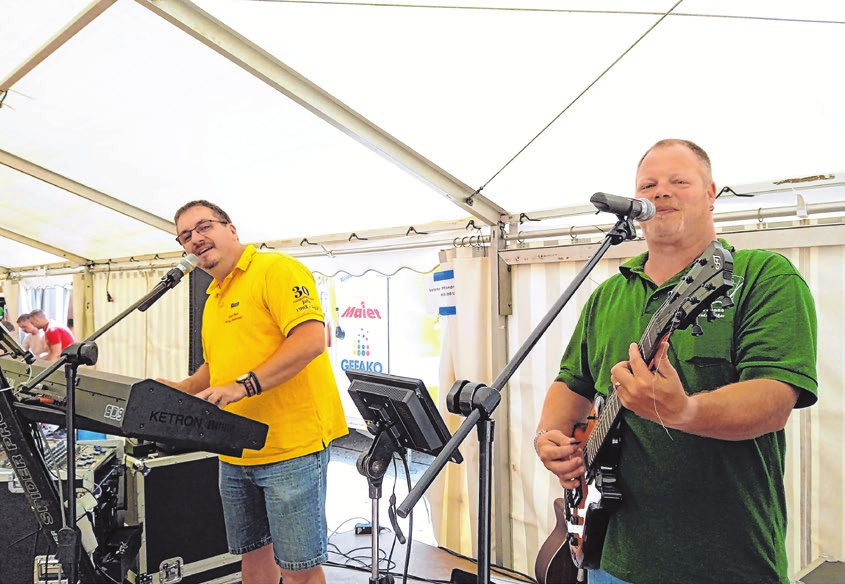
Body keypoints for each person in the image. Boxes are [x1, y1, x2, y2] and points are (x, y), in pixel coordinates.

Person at [534, 139, 818, 584]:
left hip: (726, 564)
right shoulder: (608, 294)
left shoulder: (763, 276)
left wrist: (684, 411)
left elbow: (774, 401)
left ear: (711, 193)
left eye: (679, 181)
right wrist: (548, 437)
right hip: (610, 556)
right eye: (648, 184)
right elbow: (572, 383)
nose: (661, 191)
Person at [158, 200, 348, 584]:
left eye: (204, 226)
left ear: (231, 229)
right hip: (236, 448)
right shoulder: (213, 296)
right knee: (252, 557)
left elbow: (311, 338)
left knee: (300, 570)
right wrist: (182, 389)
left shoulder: (275, 269)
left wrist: (244, 386)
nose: (195, 239)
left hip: (292, 447)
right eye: (185, 236)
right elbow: (217, 365)